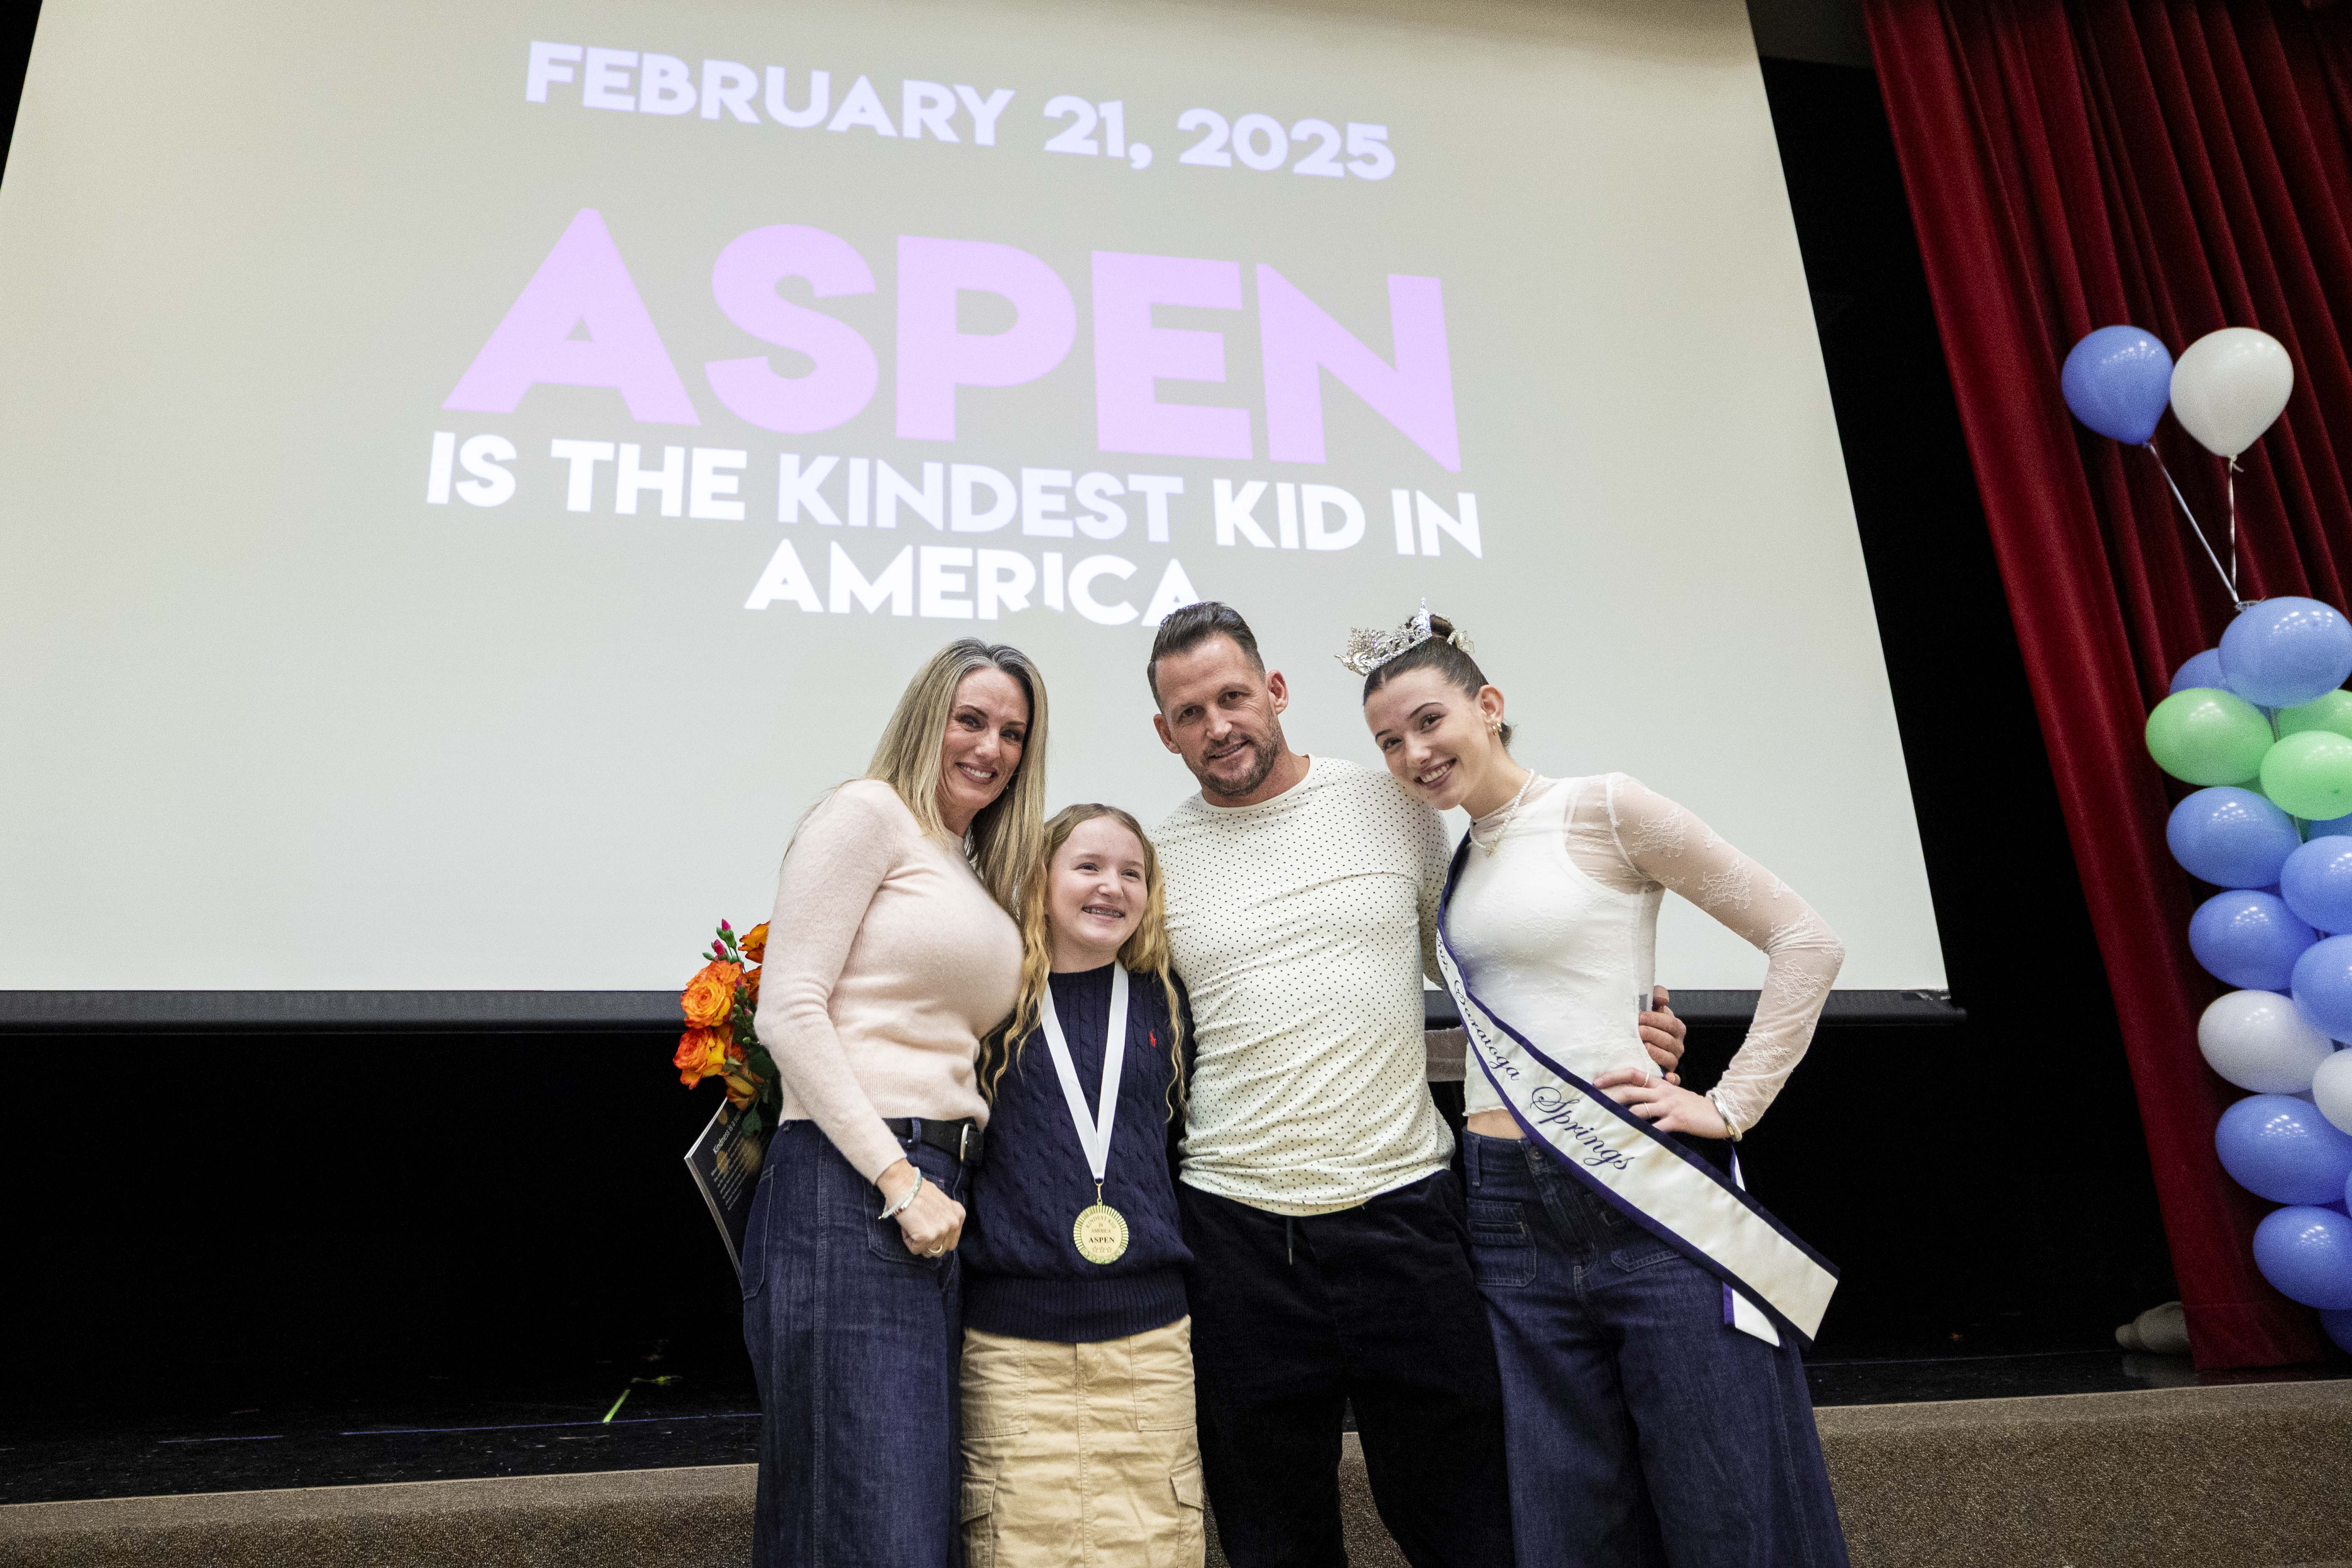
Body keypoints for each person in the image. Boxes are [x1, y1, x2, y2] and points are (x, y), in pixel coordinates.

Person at [1141, 601, 1689, 1568]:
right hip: (1234, 1235)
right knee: (1271, 1539)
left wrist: (1620, 1023)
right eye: (1190, 713)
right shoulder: (1153, 860)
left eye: (1233, 697)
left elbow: (1487, 968)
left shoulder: (1391, 806)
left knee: (1470, 1527)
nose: (1217, 725)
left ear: (1273, 693)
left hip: (1404, 1219)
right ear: (1164, 732)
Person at [1354, 603, 1850, 1568]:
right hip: (1503, 1218)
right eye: (1386, 741)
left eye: (1427, 721)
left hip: (1638, 1193)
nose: (1412, 752)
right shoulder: (1455, 866)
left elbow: (1807, 942)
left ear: (1488, 705)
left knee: (1726, 1506)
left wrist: (1728, 1104)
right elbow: (1519, 1031)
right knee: (1569, 1525)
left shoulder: (1603, 805)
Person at [741, 638, 1048, 1568]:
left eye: (1012, 733)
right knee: (878, 1525)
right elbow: (788, 1012)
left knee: (890, 1519)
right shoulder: (867, 813)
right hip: (852, 1190)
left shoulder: (964, 861)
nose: (990, 747)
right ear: (927, 718)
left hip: (931, 1196)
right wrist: (896, 1178)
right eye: (970, 720)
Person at [957, 803, 1205, 1567]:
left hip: (1150, 1348)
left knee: (1160, 1546)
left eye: (1132, 872)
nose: (1112, 887)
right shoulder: (989, 1001)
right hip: (1012, 1353)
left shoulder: (1166, 1000)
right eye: (1088, 867)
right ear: (1042, 880)